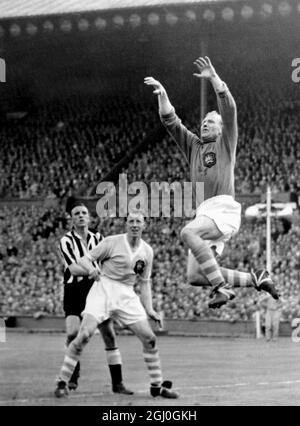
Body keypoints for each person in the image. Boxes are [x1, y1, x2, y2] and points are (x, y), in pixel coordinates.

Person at [144, 56, 279, 309]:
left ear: (221, 129)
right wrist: (162, 94)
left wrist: (215, 79)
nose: (205, 124)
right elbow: (171, 122)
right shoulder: (194, 146)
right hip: (205, 212)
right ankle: (255, 278)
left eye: (211, 122)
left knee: (187, 232)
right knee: (195, 276)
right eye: (204, 122)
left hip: (222, 207)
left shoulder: (226, 142)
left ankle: (221, 287)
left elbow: (230, 110)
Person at [54, 211, 178, 399]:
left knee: (149, 338)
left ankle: (156, 385)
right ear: (126, 224)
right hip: (103, 288)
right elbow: (85, 259)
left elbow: (144, 283)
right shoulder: (112, 242)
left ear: (145, 225)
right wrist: (91, 270)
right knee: (84, 335)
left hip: (126, 293)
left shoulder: (147, 251)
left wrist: (150, 309)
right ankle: (62, 382)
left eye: (138, 221)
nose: (135, 225)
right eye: (131, 221)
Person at [56, 201, 132, 396]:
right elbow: (73, 268)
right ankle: (73, 375)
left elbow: (107, 262)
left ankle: (118, 383)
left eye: (84, 213)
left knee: (109, 334)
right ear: (71, 219)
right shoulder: (66, 240)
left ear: (89, 217)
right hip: (74, 289)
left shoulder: (98, 238)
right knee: (73, 333)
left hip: (96, 289)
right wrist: (92, 270)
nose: (81, 216)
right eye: (76, 213)